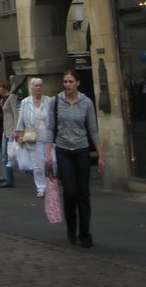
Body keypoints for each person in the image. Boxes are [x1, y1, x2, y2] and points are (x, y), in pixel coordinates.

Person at [46, 70, 105, 248]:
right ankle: (71, 228)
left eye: (71, 81)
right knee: (70, 192)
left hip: (81, 150)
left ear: (78, 83)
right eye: (65, 81)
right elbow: (50, 128)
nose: (67, 85)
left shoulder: (86, 103)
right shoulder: (56, 102)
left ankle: (85, 233)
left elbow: (93, 130)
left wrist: (100, 155)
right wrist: (48, 153)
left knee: (83, 193)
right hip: (64, 150)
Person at [15, 77, 51, 196]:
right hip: (33, 136)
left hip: (47, 136)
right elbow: (21, 120)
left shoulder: (48, 101)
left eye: (40, 85)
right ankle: (41, 187)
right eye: (36, 86)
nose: (38, 88)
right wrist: (20, 134)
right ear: (32, 88)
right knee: (38, 164)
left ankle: (50, 183)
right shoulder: (26, 102)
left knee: (51, 162)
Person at [0, 79, 18, 188]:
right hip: (5, 130)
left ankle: (9, 179)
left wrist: (16, 129)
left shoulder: (12, 97)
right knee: (4, 156)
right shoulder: (2, 100)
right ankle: (8, 179)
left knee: (10, 155)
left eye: (0, 87)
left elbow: (16, 114)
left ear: (4, 87)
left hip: (11, 130)